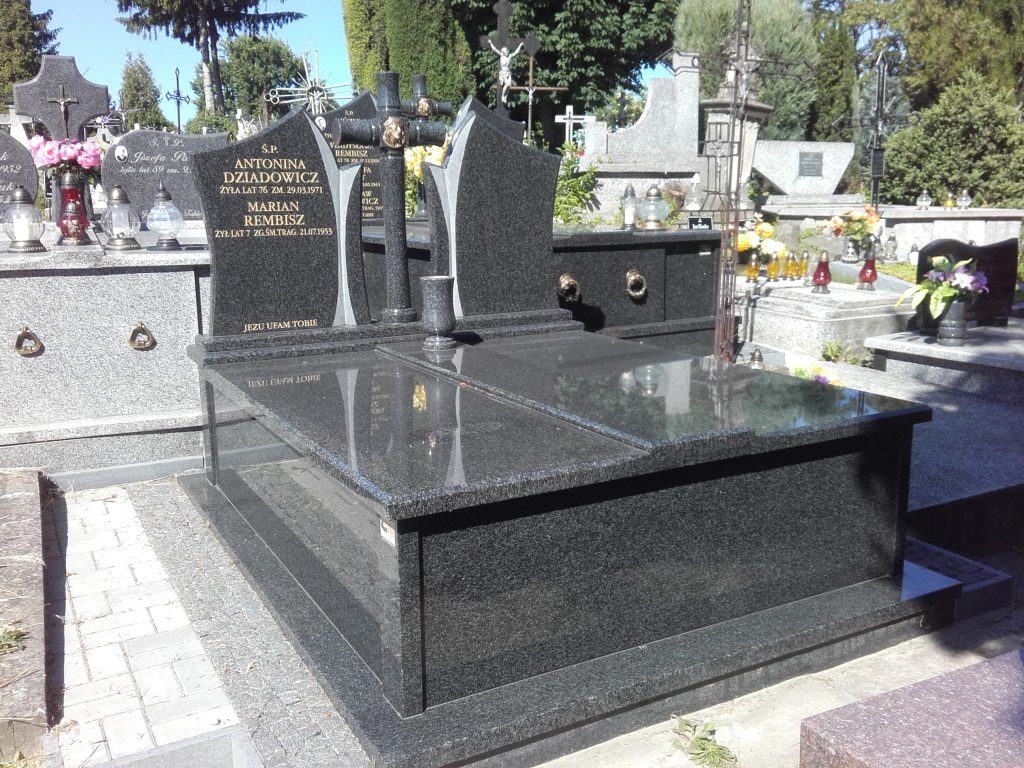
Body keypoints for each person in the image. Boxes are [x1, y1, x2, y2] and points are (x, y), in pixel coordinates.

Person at [488, 39, 525, 105]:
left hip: (508, 73)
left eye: (507, 51)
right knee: (507, 84)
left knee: (509, 86)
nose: (507, 51)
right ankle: (502, 96)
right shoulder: (501, 56)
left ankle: (505, 97)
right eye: (506, 51)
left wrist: (520, 45)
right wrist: (490, 43)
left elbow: (516, 52)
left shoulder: (509, 56)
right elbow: (495, 49)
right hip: (503, 73)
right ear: (503, 52)